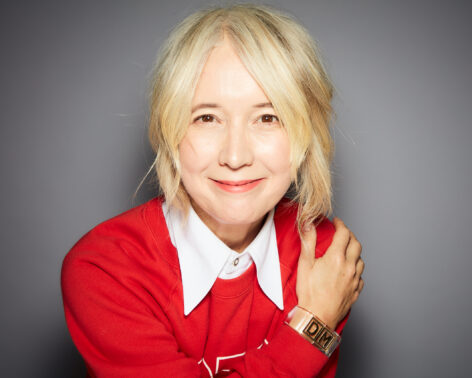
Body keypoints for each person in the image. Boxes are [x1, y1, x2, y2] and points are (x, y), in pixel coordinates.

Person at [61, 4, 364, 377]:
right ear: (169, 129)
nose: (235, 156)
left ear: (306, 132)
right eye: (206, 117)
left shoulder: (324, 257)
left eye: (268, 117)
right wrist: (315, 322)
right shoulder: (106, 270)